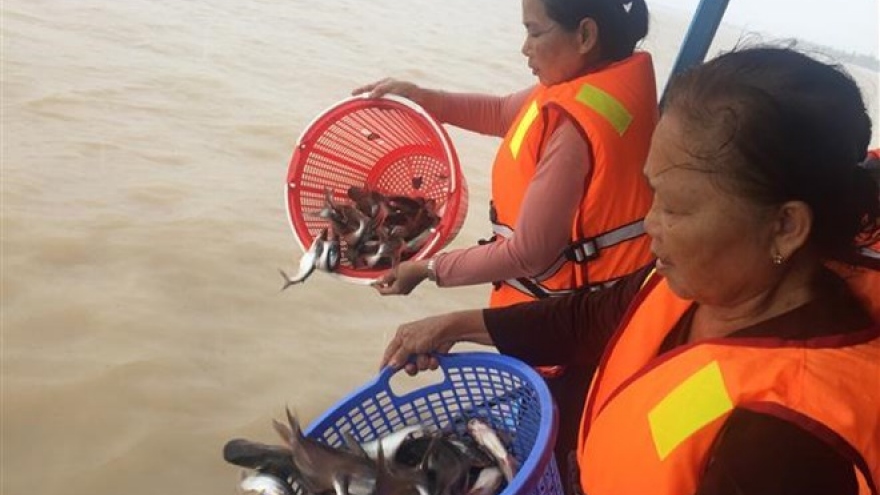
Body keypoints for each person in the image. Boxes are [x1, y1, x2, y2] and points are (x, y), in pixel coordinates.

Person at [379, 46, 880, 495]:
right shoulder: (712, 280)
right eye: (653, 192)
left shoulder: (784, 443)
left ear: (787, 226)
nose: (649, 222)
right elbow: (594, 318)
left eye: (677, 208)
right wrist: (453, 326)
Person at [354, 0, 657, 308]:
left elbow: (528, 253)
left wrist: (428, 268)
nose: (525, 48)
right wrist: (424, 98)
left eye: (535, 33)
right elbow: (500, 112)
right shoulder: (595, 86)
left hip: (569, 319)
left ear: (585, 36)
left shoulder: (573, 131)